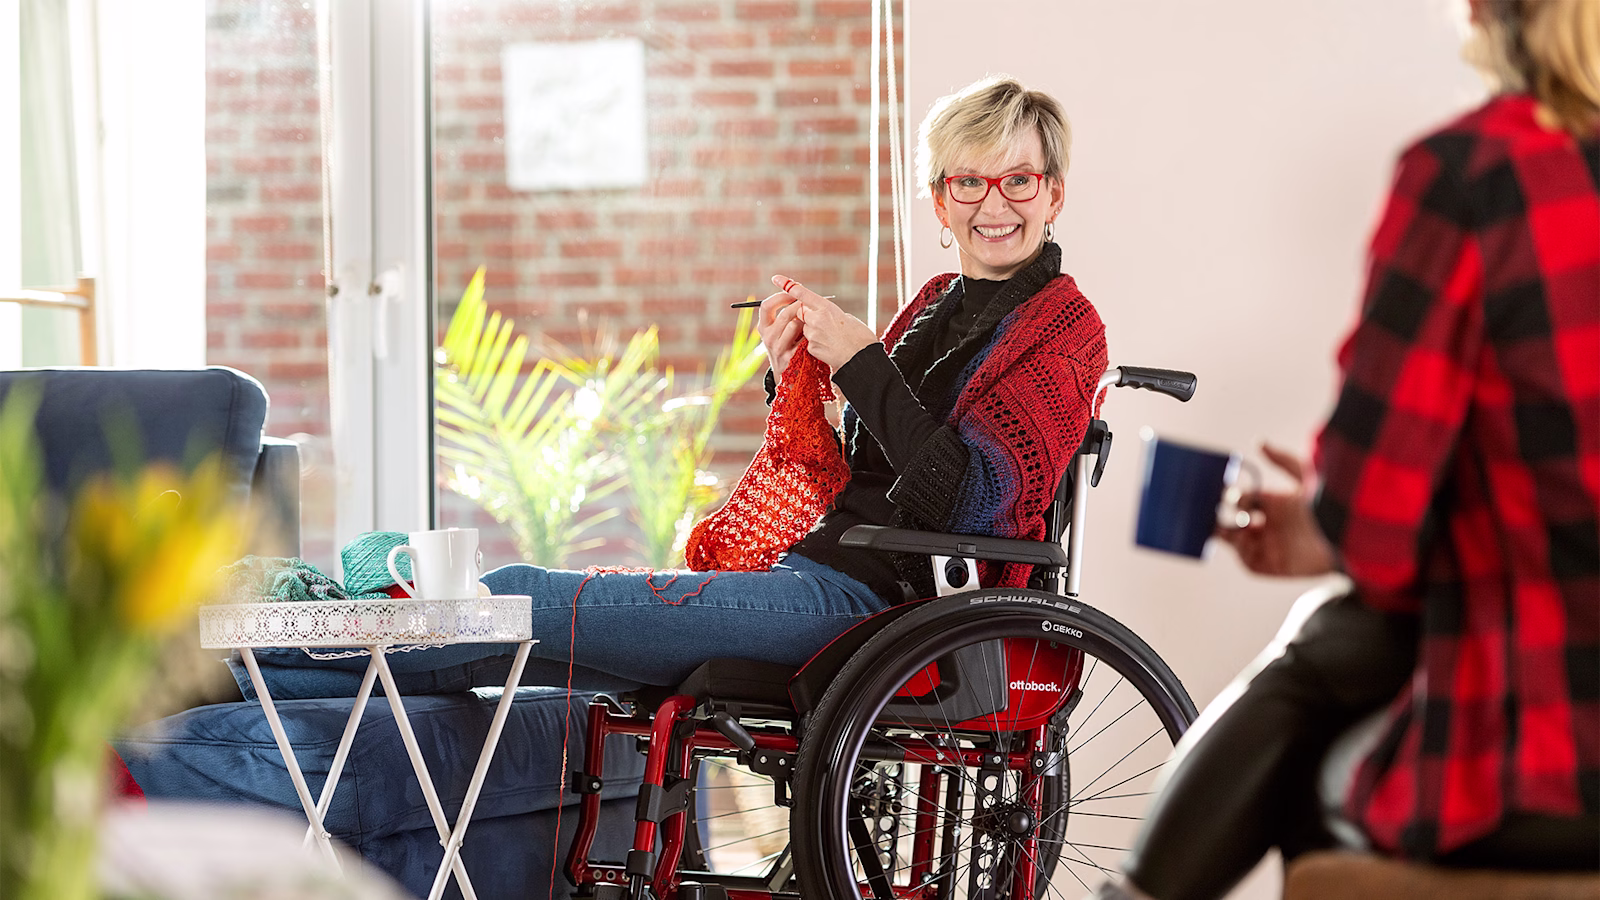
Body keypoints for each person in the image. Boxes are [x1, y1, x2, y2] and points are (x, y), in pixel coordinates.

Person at [245, 75, 1109, 698]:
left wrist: (858, 361)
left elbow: (967, 503)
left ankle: (263, 640)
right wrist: (796, 382)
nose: (993, 203)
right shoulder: (937, 305)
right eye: (969, 180)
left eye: (1018, 179)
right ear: (939, 201)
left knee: (515, 596)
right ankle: (246, 678)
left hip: (884, 609)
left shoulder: (1067, 333)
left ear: (1054, 194)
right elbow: (857, 474)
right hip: (819, 575)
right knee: (491, 652)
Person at [1093, 2, 1599, 897]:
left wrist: (1327, 526)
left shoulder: (1476, 176)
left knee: (1324, 665)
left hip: (1548, 761)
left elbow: (1373, 530)